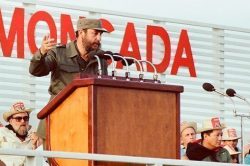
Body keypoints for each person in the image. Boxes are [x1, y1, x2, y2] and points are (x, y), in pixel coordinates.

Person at [29, 18, 109, 145]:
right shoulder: (59, 53)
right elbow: (37, 71)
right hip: (57, 121)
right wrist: (41, 53)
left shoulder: (100, 59)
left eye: (101, 34)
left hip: (84, 126)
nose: (99, 38)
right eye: (95, 33)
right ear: (81, 33)